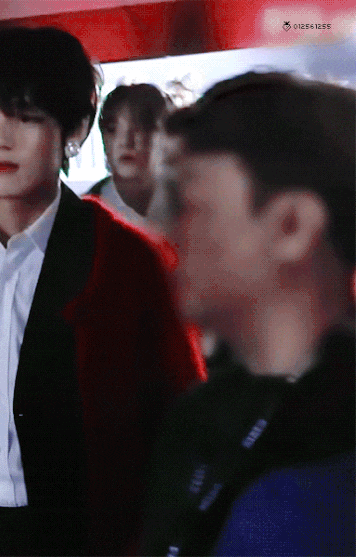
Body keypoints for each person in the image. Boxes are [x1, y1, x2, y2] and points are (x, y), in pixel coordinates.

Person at [0, 27, 205, 556]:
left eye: (26, 117)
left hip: (80, 537)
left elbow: (181, 418)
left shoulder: (129, 260)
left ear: (75, 129)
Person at [142, 72, 355, 556]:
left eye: (192, 205)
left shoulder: (331, 461)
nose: (168, 231)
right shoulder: (196, 418)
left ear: (292, 225)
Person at [86, 83, 169, 225]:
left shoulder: (192, 204)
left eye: (140, 128)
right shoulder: (85, 214)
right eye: (112, 129)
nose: (125, 141)